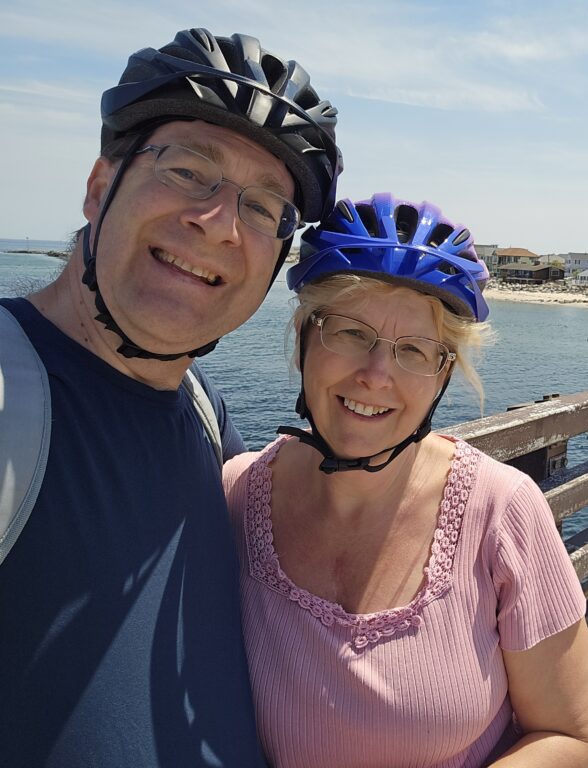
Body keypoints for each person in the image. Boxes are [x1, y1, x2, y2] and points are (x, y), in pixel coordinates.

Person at [0, 28, 341, 767]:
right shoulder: (9, 393)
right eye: (188, 171)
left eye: (262, 209)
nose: (218, 224)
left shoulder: (202, 413)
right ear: (99, 189)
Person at [222, 193, 588, 767]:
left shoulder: (504, 513)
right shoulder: (234, 497)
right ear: (304, 335)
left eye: (413, 351)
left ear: (444, 372)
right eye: (350, 333)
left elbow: (574, 741)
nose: (376, 375)